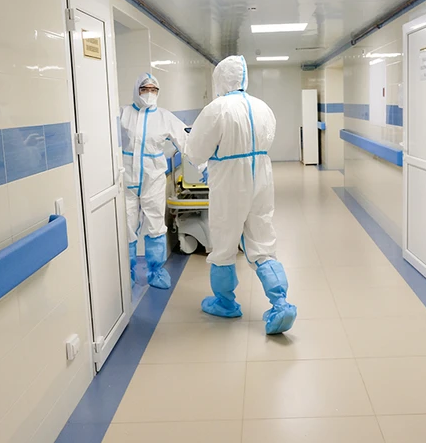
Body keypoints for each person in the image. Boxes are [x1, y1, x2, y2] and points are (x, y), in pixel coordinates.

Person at [185, 55, 297, 335]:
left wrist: (212, 161)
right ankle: (281, 303)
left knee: (224, 242)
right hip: (261, 177)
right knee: (262, 238)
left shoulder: (217, 108)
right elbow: (267, 139)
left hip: (229, 181)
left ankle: (225, 303)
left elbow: (195, 151)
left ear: (220, 79)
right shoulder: (262, 107)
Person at [121, 73, 187, 289]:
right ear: (136, 90)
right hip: (126, 181)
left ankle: (156, 272)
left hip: (153, 179)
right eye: (144, 89)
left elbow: (186, 141)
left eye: (153, 90)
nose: (149, 93)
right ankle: (127, 272)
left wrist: (204, 166)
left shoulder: (164, 117)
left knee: (156, 224)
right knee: (126, 226)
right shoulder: (123, 114)